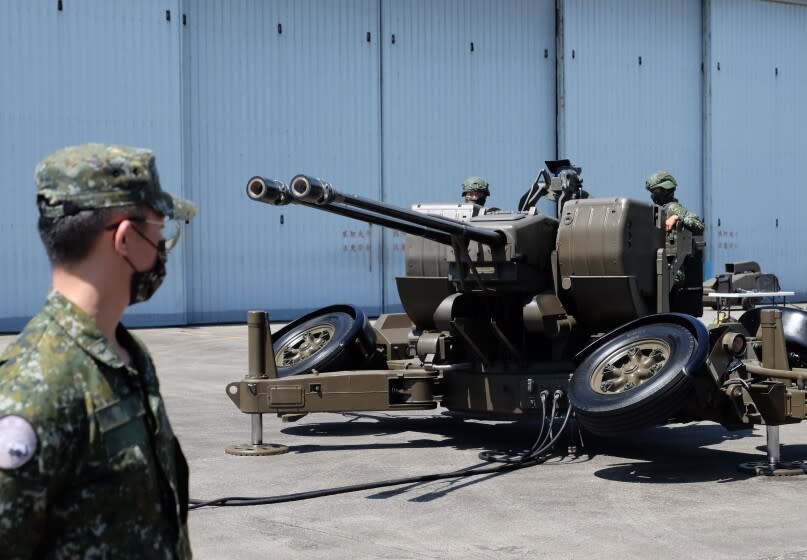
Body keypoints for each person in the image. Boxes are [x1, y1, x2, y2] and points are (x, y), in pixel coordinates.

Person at [0, 144, 196, 558]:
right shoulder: (36, 386)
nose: (163, 246)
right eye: (160, 229)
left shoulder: (126, 355)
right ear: (126, 238)